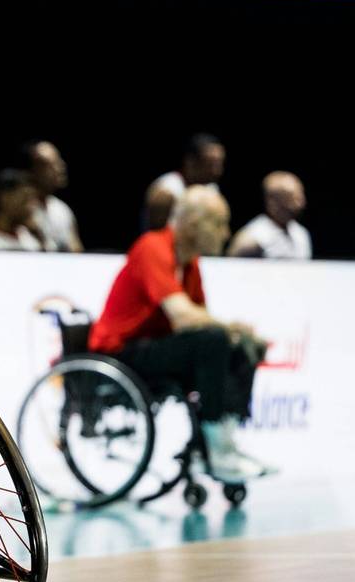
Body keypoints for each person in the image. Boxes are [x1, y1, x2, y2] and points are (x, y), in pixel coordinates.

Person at [89, 186, 275, 483]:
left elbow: (199, 318)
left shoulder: (189, 263)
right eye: (219, 223)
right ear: (192, 223)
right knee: (215, 339)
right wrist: (230, 328)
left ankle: (220, 442)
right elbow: (183, 315)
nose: (225, 233)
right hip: (121, 352)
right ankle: (216, 450)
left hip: (154, 346)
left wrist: (238, 335)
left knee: (240, 347)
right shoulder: (153, 247)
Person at [145, 133, 225, 230]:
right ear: (190, 161)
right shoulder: (167, 190)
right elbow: (156, 234)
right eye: (210, 164)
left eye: (219, 163)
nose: (217, 171)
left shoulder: (211, 188)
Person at [228, 171, 312, 259]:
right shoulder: (253, 237)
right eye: (291, 198)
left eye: (300, 197)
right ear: (272, 202)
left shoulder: (301, 233)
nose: (300, 204)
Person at [21, 140, 82, 252]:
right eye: (47, 164)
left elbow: (77, 251)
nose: (60, 167)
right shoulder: (19, 211)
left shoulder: (62, 210)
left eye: (58, 161)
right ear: (30, 171)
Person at [0, 169, 44, 251]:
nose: (32, 207)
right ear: (5, 198)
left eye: (33, 201)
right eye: (25, 199)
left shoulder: (27, 236)